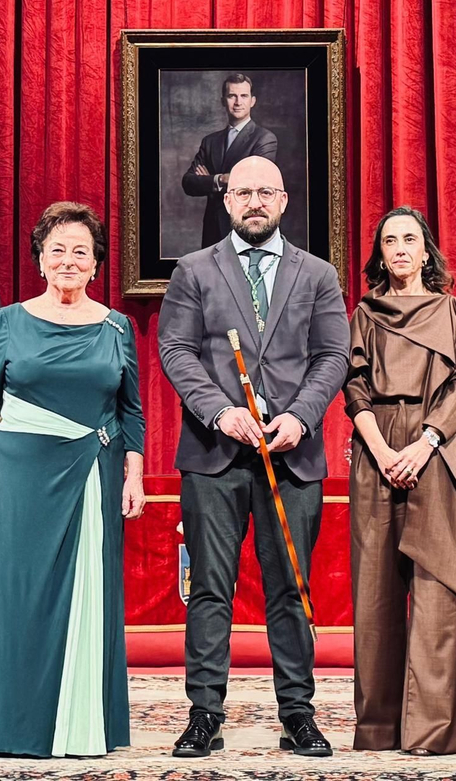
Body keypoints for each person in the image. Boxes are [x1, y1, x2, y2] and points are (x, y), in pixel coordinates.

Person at [158, 155, 350, 758]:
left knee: (290, 588)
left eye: (267, 191)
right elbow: (177, 350)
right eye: (243, 192)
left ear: (285, 200)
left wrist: (301, 416)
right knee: (210, 589)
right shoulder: (194, 270)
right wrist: (221, 411)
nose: (255, 202)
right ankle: (203, 715)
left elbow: (333, 356)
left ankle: (298, 713)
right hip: (216, 452)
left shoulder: (318, 274)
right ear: (227, 200)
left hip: (292, 454)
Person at [0, 201, 146, 757]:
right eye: (57, 250)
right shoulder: (9, 321)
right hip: (21, 475)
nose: (69, 260)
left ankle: (83, 726)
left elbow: (131, 411)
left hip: (94, 472)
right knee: (21, 596)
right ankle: (11, 728)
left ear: (96, 265)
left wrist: (133, 476)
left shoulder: (117, 327)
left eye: (81, 253)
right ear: (40, 259)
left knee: (89, 595)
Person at [344, 206, 456, 756]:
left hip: (438, 449)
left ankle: (432, 731)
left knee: (437, 589)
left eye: (410, 239)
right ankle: (378, 728)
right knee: (375, 593)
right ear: (380, 254)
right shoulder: (364, 313)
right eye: (389, 241)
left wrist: (425, 441)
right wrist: (382, 449)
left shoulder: (452, 311)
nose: (400, 249)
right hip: (377, 449)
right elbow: (353, 386)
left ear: (426, 250)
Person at [181, 74, 280, 249]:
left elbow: (253, 183)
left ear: (252, 101)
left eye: (243, 96)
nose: (238, 102)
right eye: (232, 96)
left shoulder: (264, 138)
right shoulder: (210, 141)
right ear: (222, 101)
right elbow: (188, 183)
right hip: (212, 231)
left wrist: (210, 181)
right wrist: (220, 179)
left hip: (245, 229)